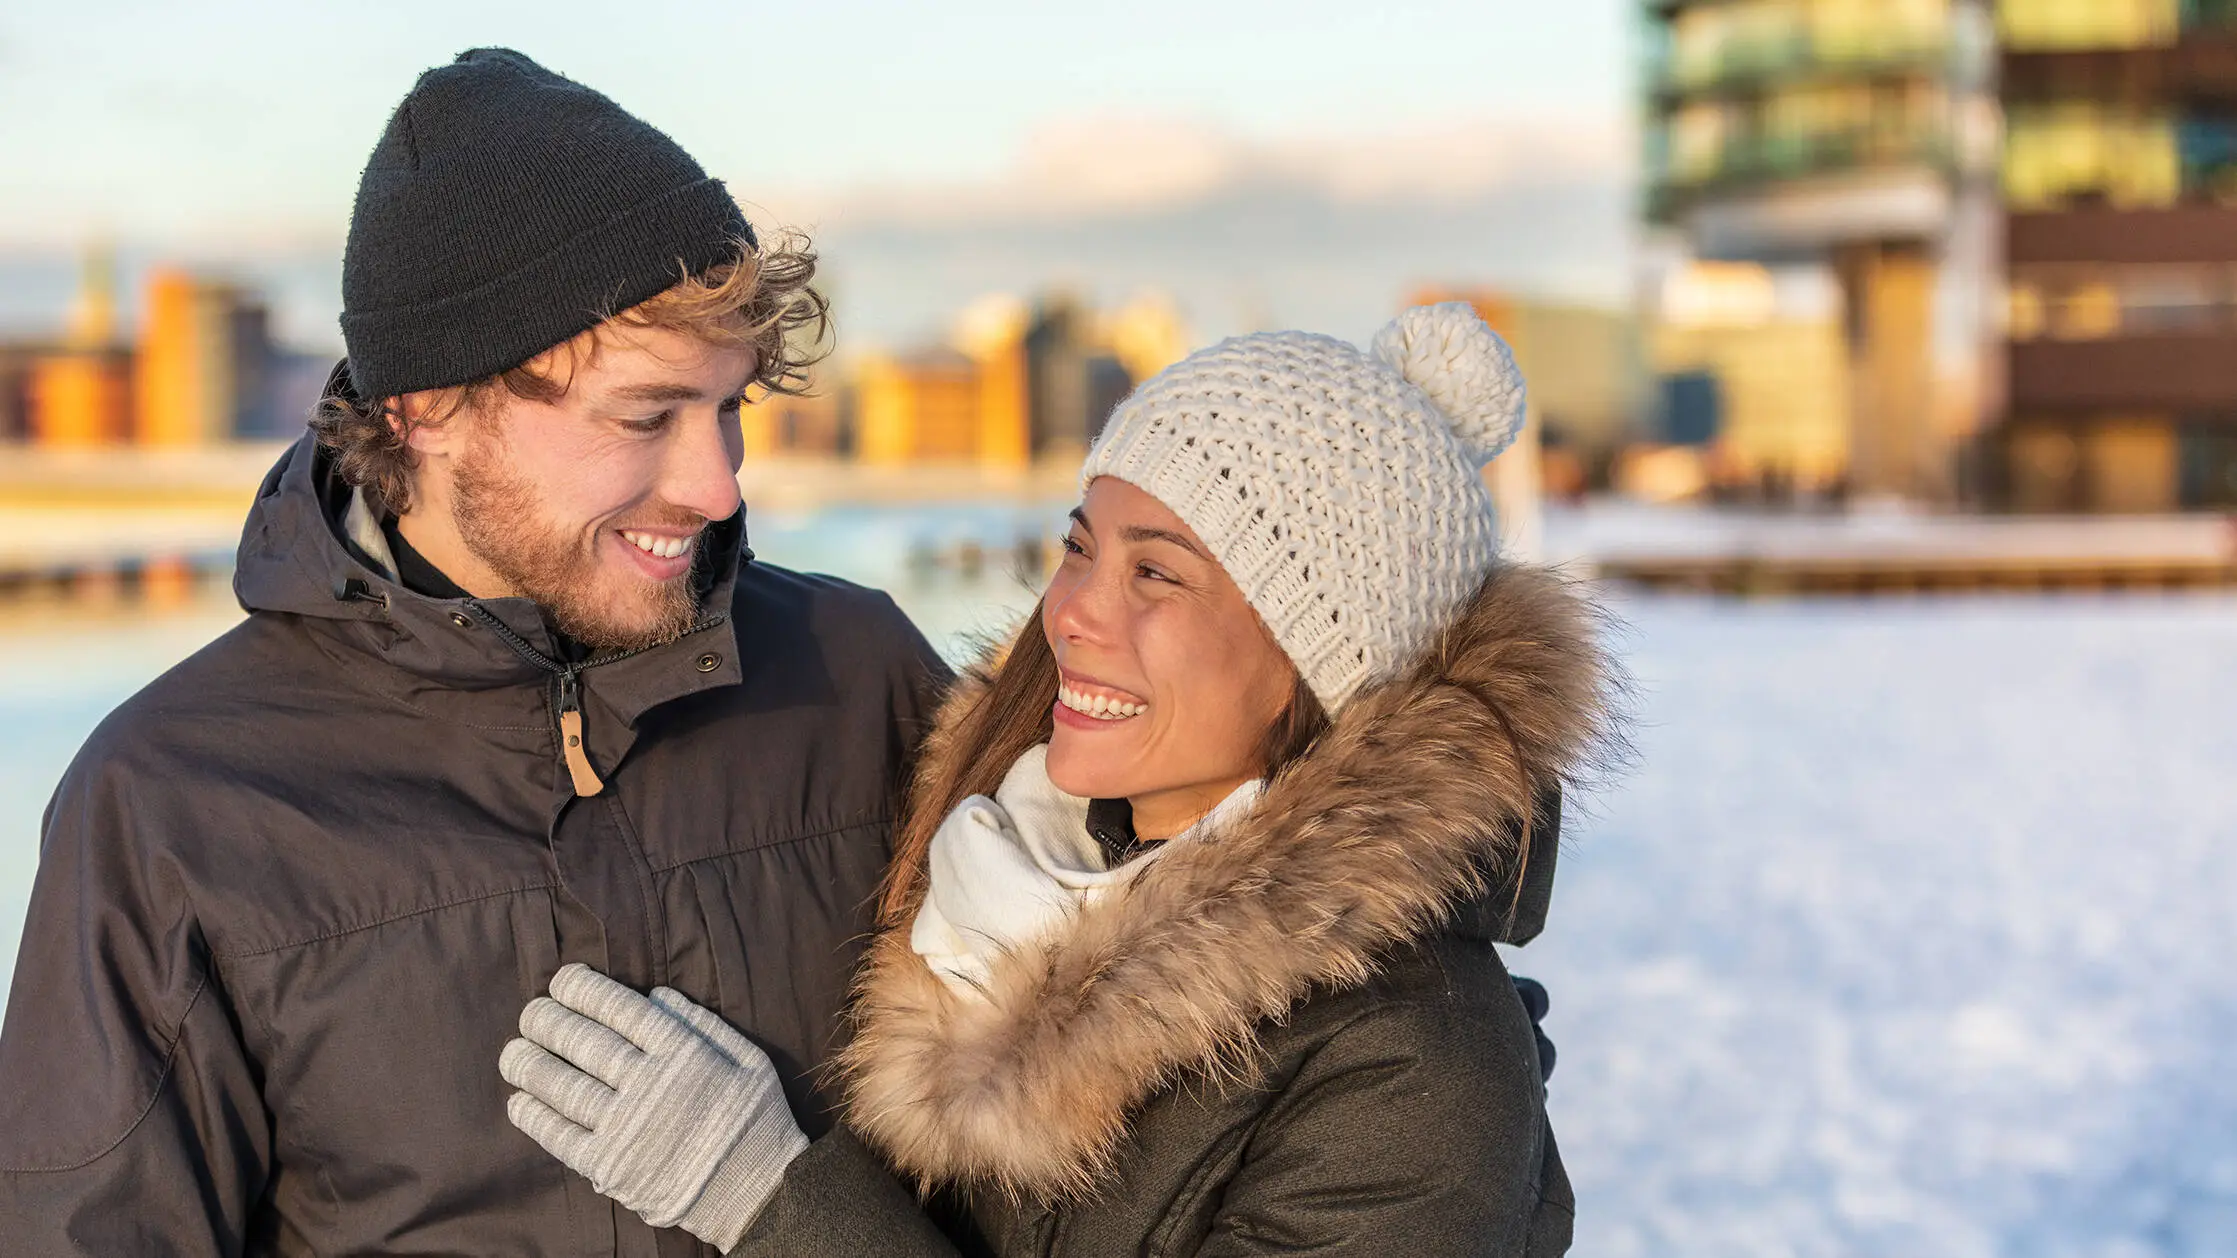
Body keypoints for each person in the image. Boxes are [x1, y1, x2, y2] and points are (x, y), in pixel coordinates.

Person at [0, 49, 944, 1254]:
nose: (716, 485)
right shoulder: (173, 804)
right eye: (645, 417)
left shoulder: (859, 678)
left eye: (729, 409)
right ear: (427, 409)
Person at [500, 304, 1619, 1256]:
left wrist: (773, 1202)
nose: (1073, 614)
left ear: (1318, 662)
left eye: (1155, 574)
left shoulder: (1415, 1067)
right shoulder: (983, 880)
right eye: (1080, 548)